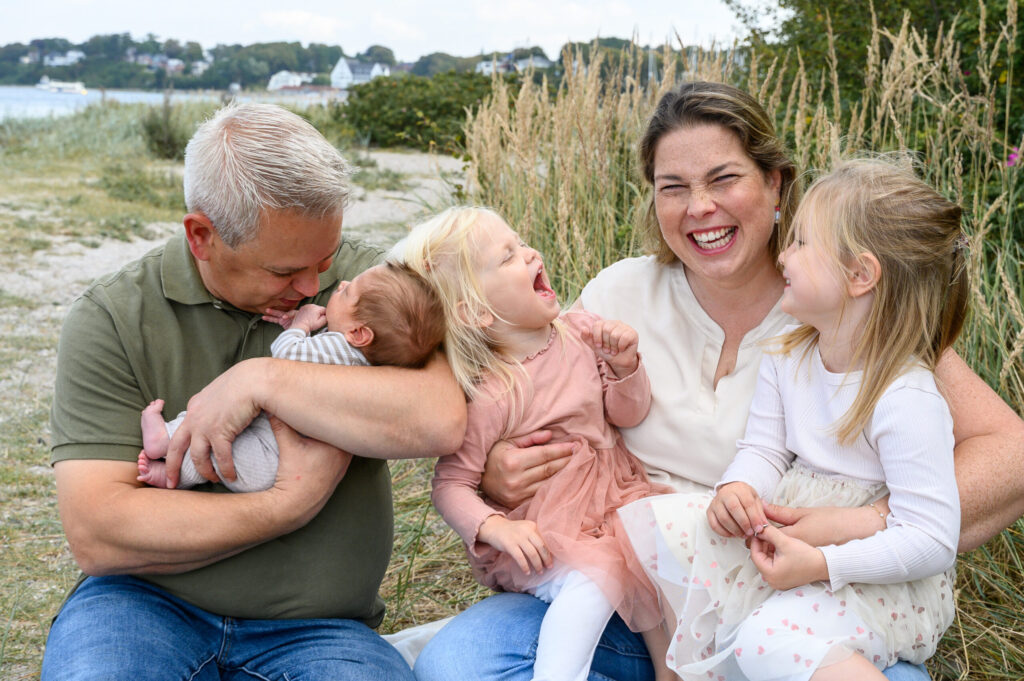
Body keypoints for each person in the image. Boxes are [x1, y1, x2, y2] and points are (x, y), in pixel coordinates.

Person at [410, 82, 1024, 681]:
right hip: (633, 594)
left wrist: (866, 520)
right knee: (461, 664)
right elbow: (510, 382)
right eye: (672, 187)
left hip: (799, 596)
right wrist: (489, 471)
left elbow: (1011, 454)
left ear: (775, 183)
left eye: (724, 179)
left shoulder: (844, 313)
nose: (699, 207)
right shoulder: (617, 294)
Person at [42, 102, 466, 681]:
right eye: (285, 271)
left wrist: (261, 378)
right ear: (201, 236)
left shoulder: (374, 288)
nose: (316, 285)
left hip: (323, 629)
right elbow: (98, 531)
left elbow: (440, 417)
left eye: (325, 258)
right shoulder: (112, 316)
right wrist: (286, 505)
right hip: (140, 609)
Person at [619, 157, 966, 680]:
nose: (785, 253)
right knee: (657, 528)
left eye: (802, 242)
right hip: (793, 544)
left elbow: (931, 540)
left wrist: (825, 564)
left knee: (766, 639)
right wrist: (739, 488)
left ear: (859, 275)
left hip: (872, 581)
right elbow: (765, 448)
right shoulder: (790, 355)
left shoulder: (904, 396)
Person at [397, 206, 675, 681]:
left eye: (521, 243)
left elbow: (627, 414)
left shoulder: (583, 332)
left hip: (612, 503)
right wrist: (494, 528)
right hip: (550, 532)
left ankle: (670, 669)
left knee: (661, 554)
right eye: (508, 257)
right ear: (476, 312)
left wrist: (626, 365)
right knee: (595, 579)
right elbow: (451, 484)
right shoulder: (492, 392)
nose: (530, 254)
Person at [137, 261, 445, 491]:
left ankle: (166, 438)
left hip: (273, 451)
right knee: (222, 456)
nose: (341, 285)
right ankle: (173, 476)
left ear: (359, 334)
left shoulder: (338, 349)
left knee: (211, 425)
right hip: (272, 463)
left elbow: (287, 359)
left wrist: (300, 326)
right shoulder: (366, 364)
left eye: (348, 292)